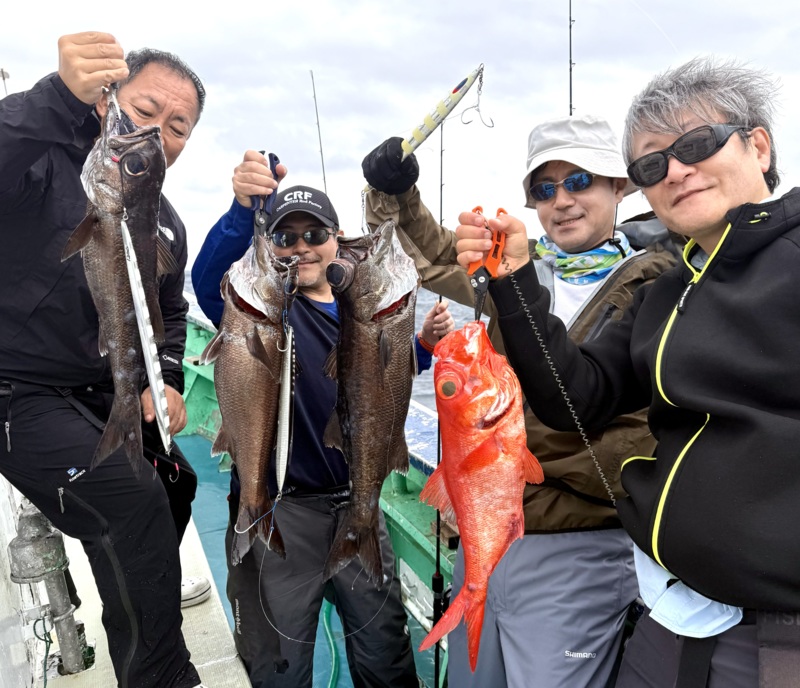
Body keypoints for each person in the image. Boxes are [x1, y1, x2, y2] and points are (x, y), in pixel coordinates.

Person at [454, 57, 798, 688]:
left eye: (696, 144)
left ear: (758, 145)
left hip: (779, 633)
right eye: (652, 164)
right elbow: (573, 399)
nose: (676, 170)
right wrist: (514, 281)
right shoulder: (667, 294)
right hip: (675, 611)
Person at [362, 116, 678, 687]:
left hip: (577, 544)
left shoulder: (661, 288)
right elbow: (434, 256)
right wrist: (399, 193)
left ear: (619, 186)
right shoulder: (515, 272)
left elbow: (620, 430)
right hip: (486, 534)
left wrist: (518, 458)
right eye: (544, 188)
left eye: (580, 180)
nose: (563, 201)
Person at [191, 152, 453, 688]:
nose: (300, 247)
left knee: (386, 656)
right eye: (285, 238)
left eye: (314, 234)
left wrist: (421, 345)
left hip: (358, 500)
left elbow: (378, 377)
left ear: (337, 239)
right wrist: (244, 213)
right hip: (283, 511)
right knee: (280, 665)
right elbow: (208, 275)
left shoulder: (361, 304)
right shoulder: (263, 309)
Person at [0, 31, 208, 688]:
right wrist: (56, 99)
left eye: (178, 127)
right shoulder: (38, 162)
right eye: (145, 111)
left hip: (100, 391)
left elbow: (169, 315)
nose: (160, 133)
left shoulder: (165, 220)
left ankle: (137, 628)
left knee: (174, 485)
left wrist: (165, 379)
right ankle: (164, 678)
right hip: (15, 391)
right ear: (106, 99)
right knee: (133, 501)